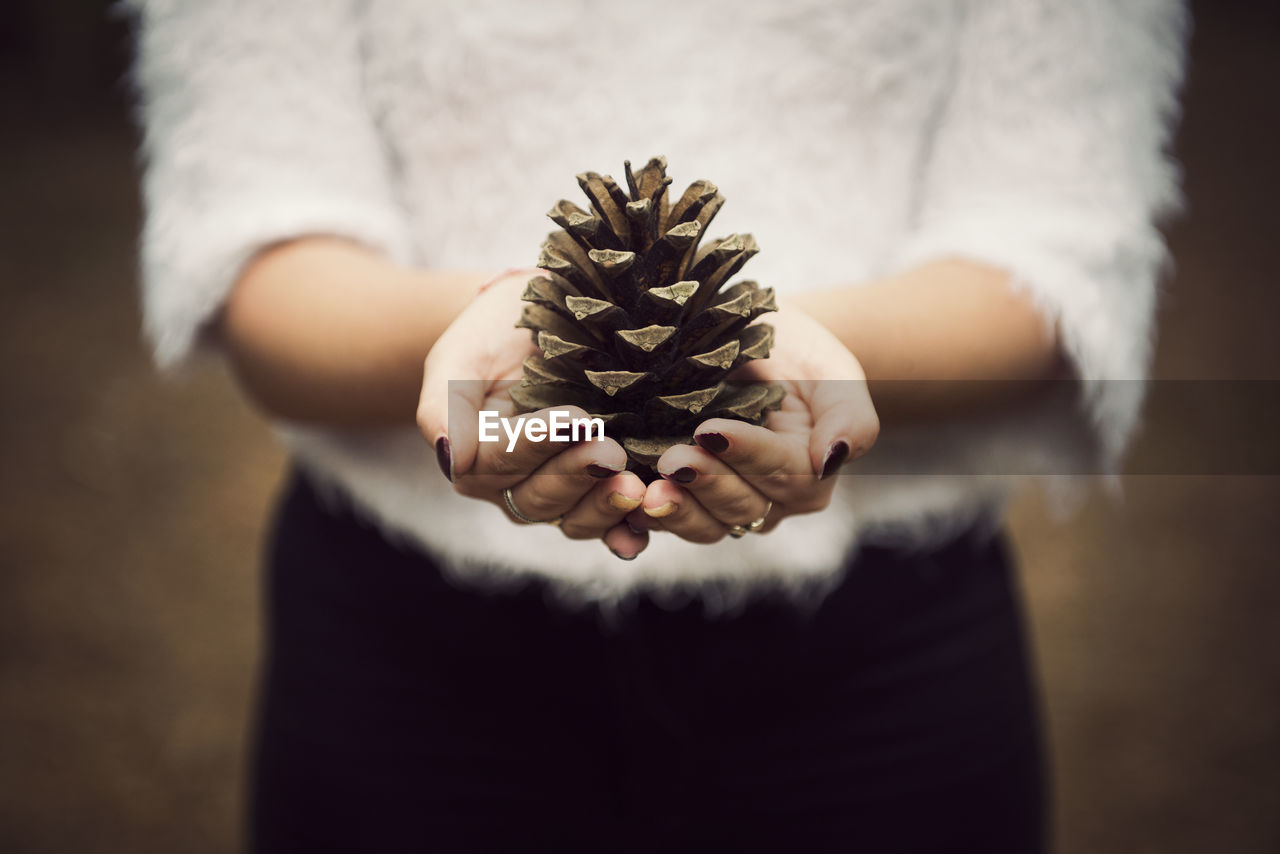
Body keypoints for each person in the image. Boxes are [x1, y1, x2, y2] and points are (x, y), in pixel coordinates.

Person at [127, 0, 1188, 850]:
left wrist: (762, 353)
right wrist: (506, 337)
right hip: (404, 673)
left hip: (879, 679)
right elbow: (257, 246)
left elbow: (1054, 258)